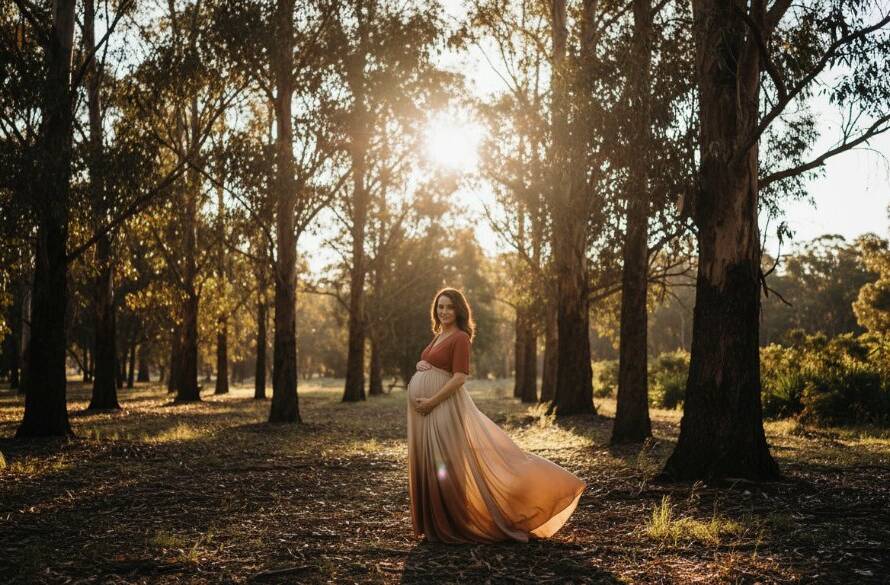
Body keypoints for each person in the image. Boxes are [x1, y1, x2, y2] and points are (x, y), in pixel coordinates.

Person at [407, 287, 586, 543]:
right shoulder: (439, 335)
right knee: (429, 463)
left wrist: (432, 401)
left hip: (442, 408)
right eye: (440, 306)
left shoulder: (459, 337)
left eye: (449, 307)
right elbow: (437, 365)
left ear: (459, 310)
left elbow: (459, 378)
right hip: (425, 412)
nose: (444, 311)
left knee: (445, 462)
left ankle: (450, 523)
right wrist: (421, 365)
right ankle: (435, 524)